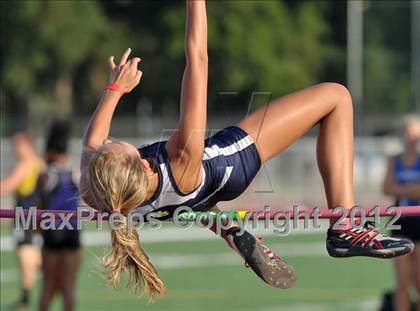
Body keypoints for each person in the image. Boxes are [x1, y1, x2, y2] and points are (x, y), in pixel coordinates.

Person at [80, 0, 414, 302]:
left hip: (173, 202)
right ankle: (344, 225)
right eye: (114, 145)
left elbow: (91, 145)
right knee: (336, 97)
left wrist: (113, 90)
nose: (107, 142)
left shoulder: (108, 198)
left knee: (184, 203)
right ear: (142, 164)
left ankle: (221, 222)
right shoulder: (179, 156)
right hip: (229, 165)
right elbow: (197, 60)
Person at [38, 121, 81, 311]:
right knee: (69, 286)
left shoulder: (45, 175)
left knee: (47, 286)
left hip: (52, 231)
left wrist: (38, 230)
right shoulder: (77, 173)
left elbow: (37, 207)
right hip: (72, 230)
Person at [0, 132, 44, 309]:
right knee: (30, 252)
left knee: (25, 253)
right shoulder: (39, 163)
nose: (15, 150)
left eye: (17, 146)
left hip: (24, 216)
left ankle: (25, 297)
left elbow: (10, 184)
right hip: (35, 214)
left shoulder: (26, 164)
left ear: (26, 146)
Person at [383, 116, 420, 311]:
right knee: (402, 282)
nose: (413, 138)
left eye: (416, 134)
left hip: (419, 222)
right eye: (410, 133)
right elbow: (387, 187)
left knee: (419, 281)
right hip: (400, 221)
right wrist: (410, 189)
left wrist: (403, 188)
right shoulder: (394, 160)